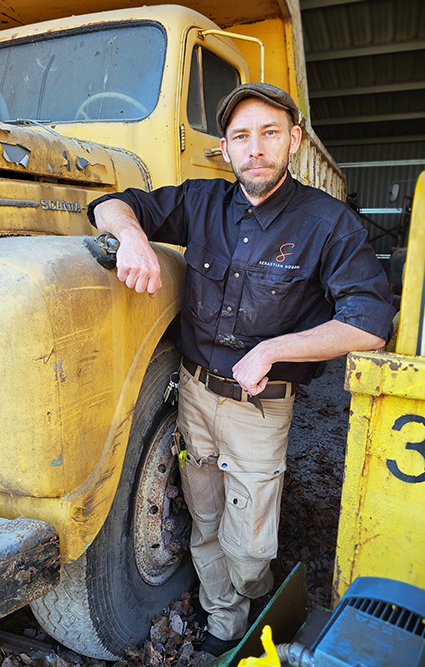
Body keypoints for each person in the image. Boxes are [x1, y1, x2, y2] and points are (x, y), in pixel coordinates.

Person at [88, 82, 395, 656]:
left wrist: (274, 348)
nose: (256, 147)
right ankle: (223, 624)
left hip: (261, 406)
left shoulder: (329, 223)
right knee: (203, 515)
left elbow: (368, 321)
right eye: (241, 136)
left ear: (294, 142)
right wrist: (131, 237)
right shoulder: (200, 201)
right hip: (195, 397)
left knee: (250, 544)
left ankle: (255, 596)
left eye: (270, 133)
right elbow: (113, 204)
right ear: (225, 150)